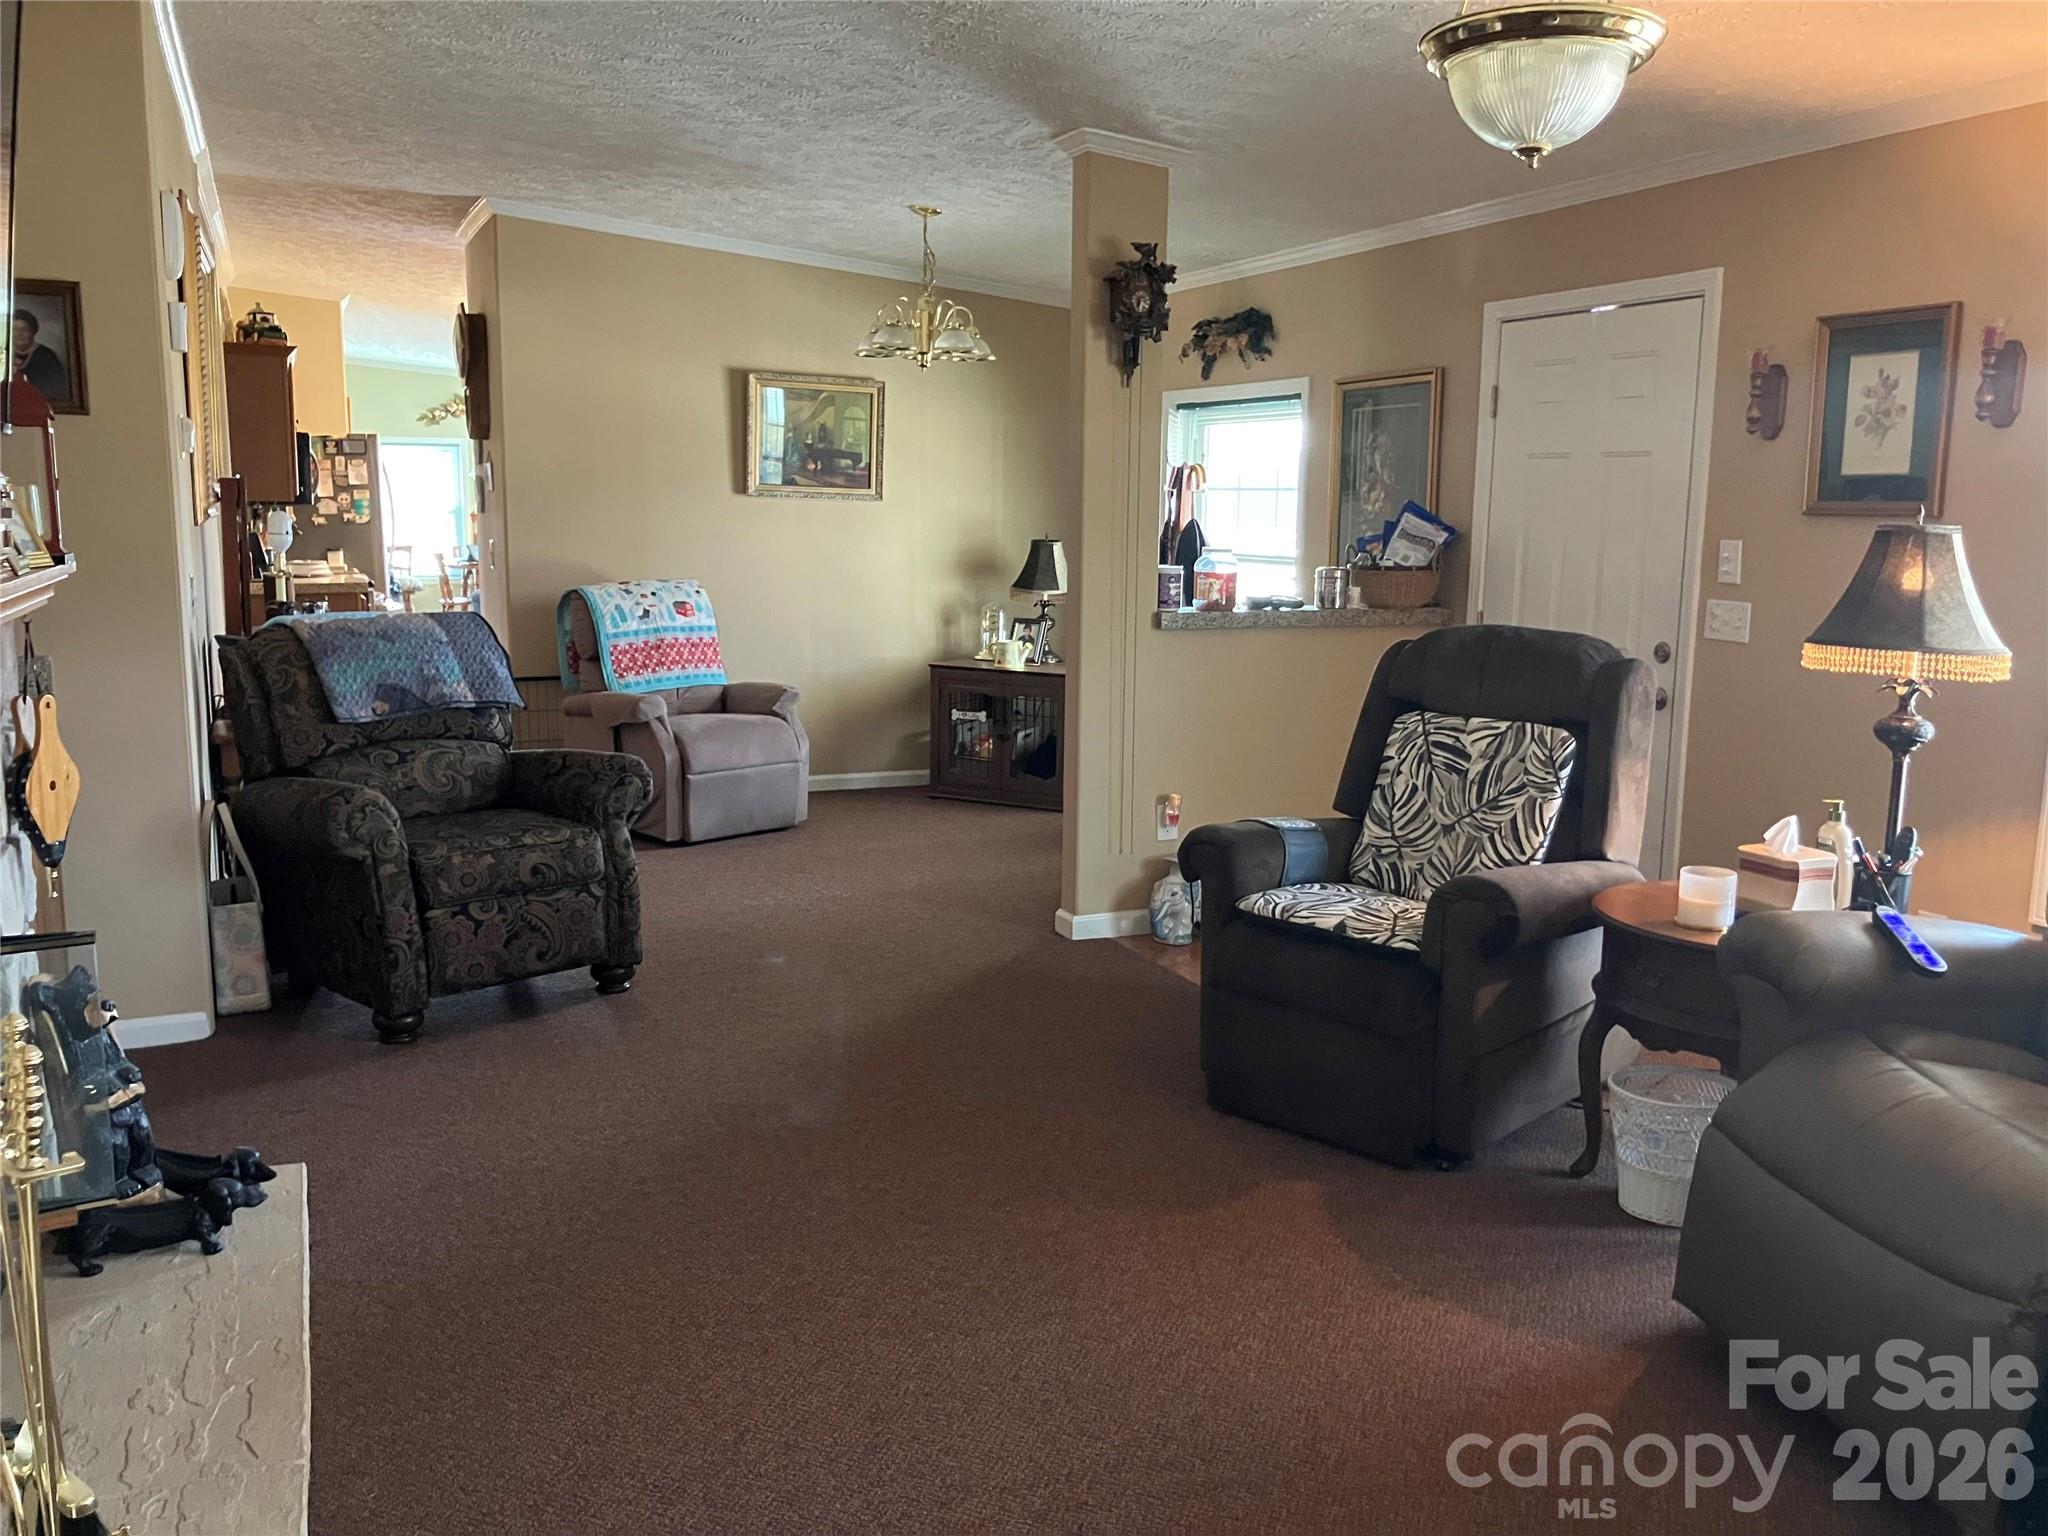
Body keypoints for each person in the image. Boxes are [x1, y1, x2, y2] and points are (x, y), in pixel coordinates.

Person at [12, 309, 69, 403]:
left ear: (33, 332)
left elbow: (56, 390)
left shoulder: (47, 356)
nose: (19, 334)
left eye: (24, 329)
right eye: (15, 329)